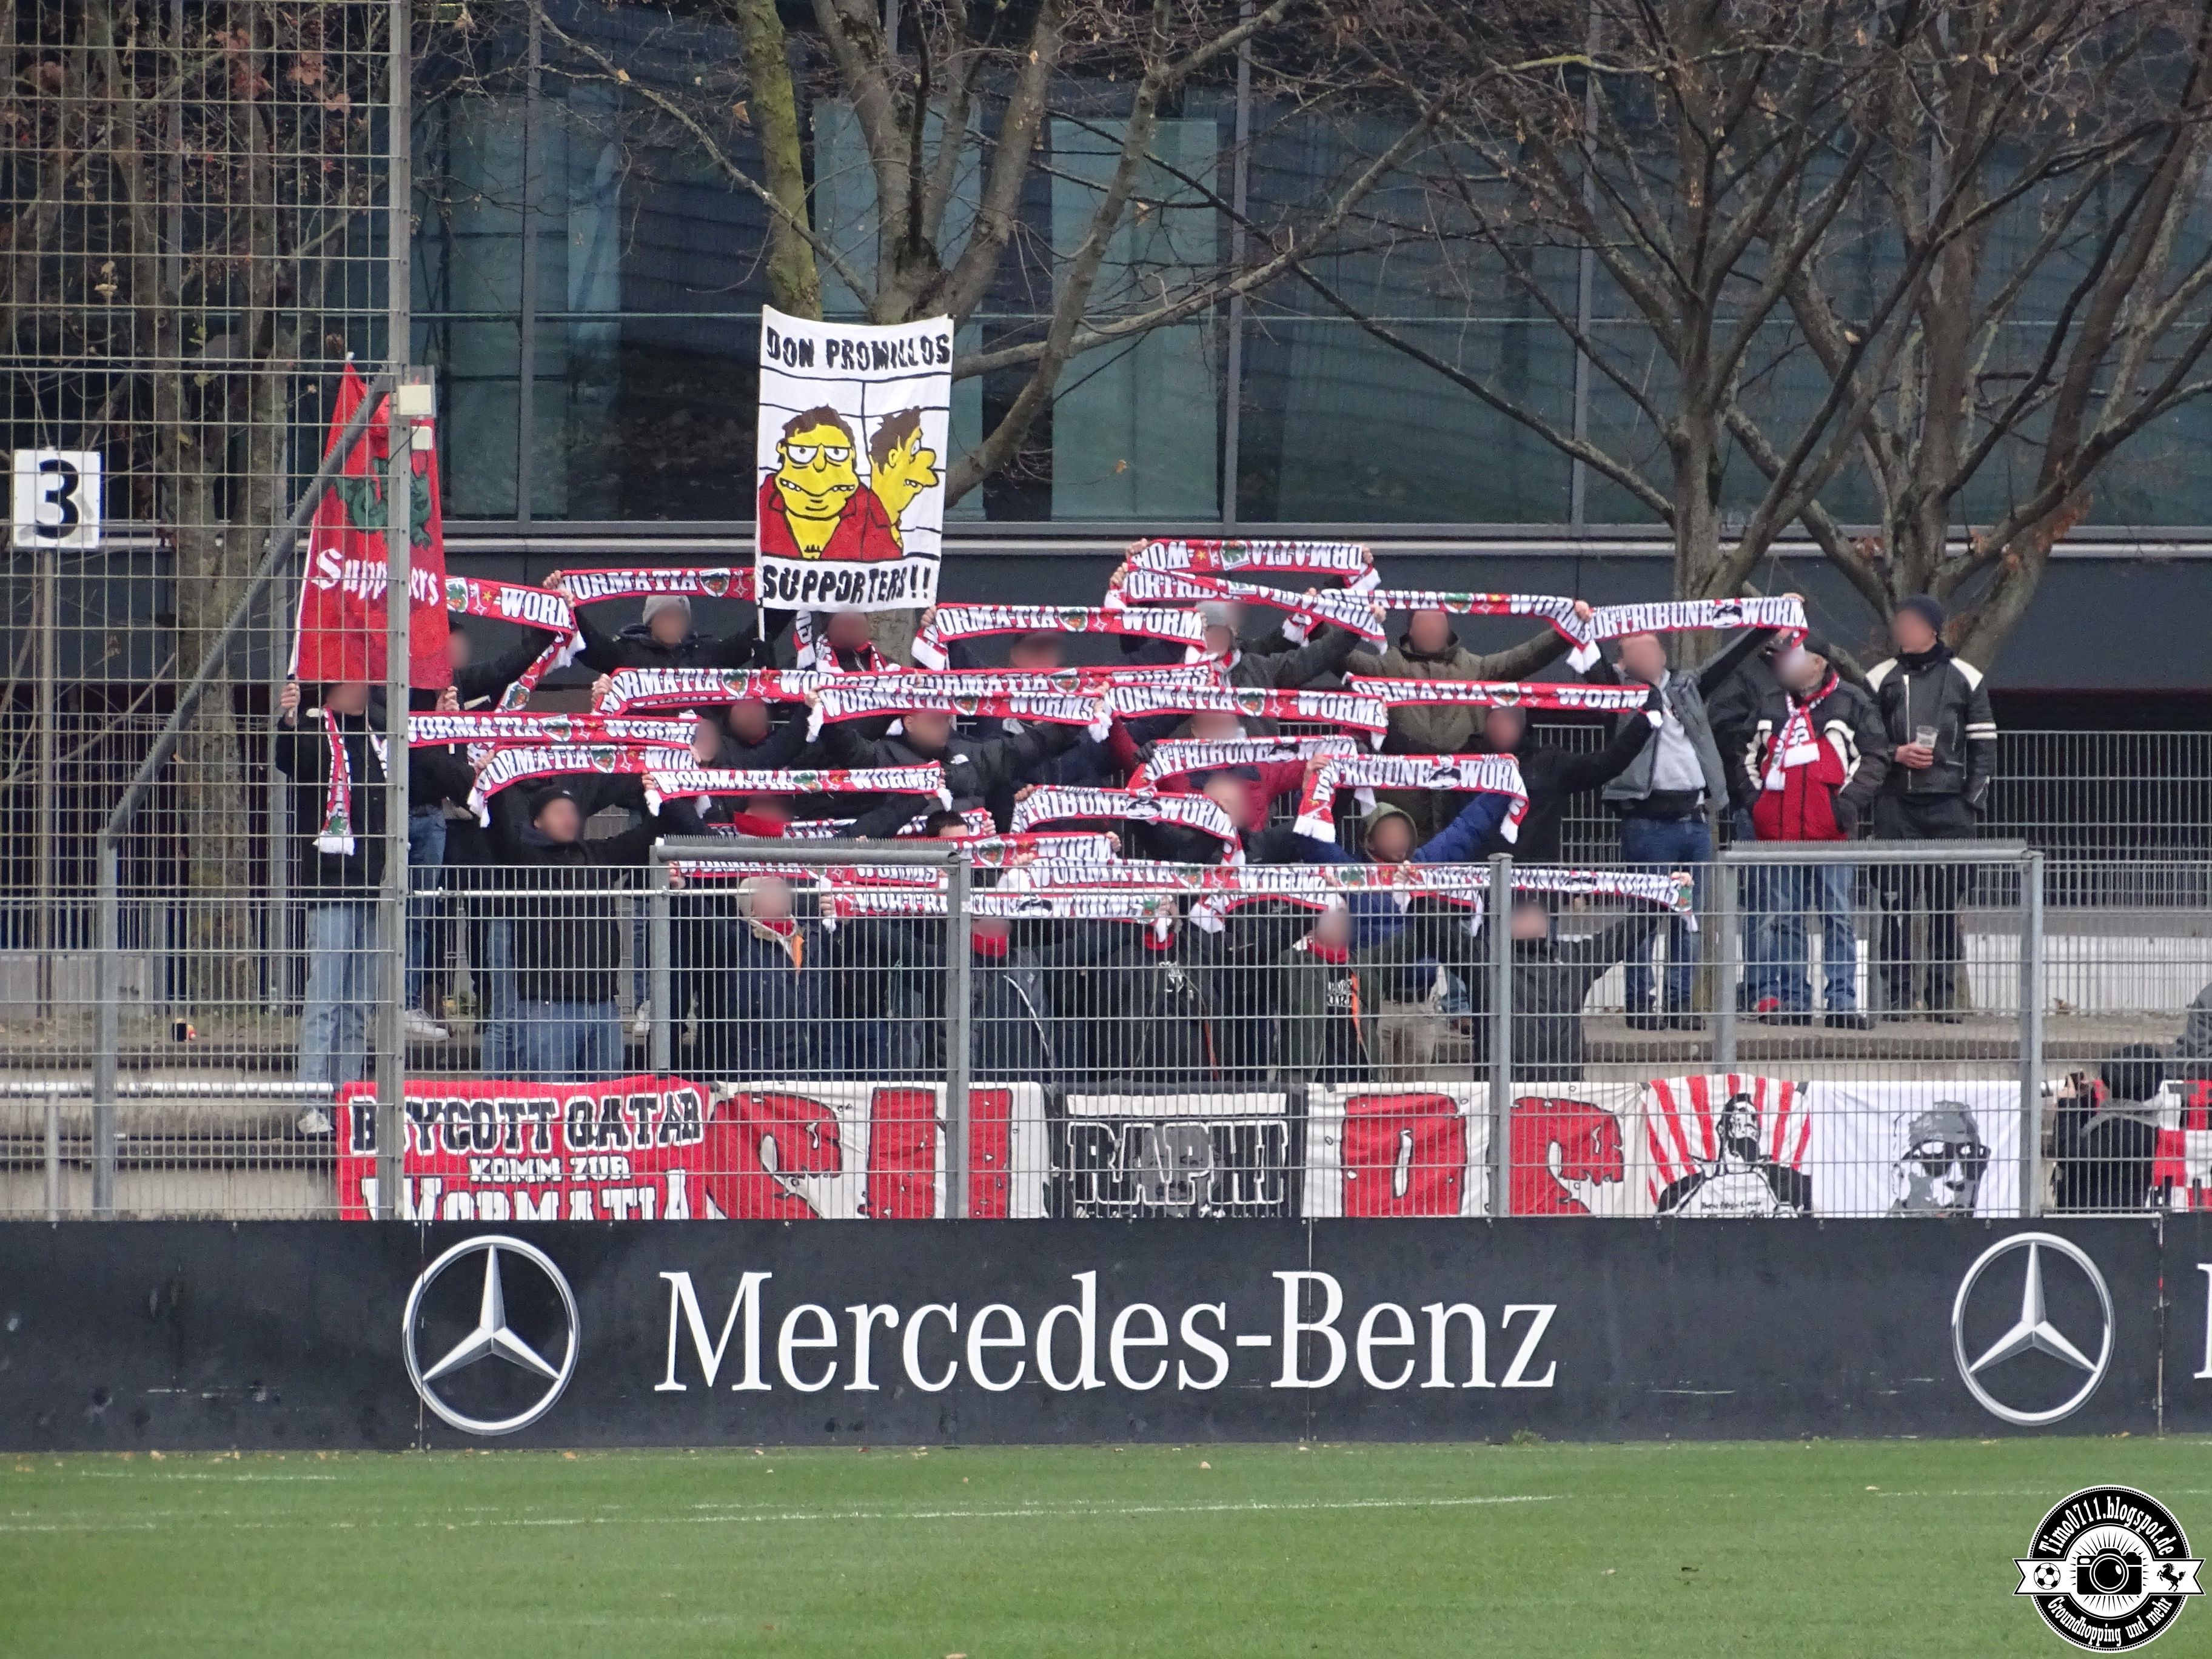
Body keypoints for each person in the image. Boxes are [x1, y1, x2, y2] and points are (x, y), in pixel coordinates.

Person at [275, 680, 471, 1088]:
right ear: (330, 691)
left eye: (364, 683)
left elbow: (425, 769)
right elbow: (292, 759)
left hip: (374, 885)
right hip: (331, 884)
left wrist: (440, 723)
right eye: (350, 684)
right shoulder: (316, 732)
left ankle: (346, 1097)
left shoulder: (381, 732)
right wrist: (289, 720)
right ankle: (312, 1097)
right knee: (325, 1000)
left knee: (358, 1005)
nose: (360, 690)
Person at [1587, 620, 1776, 1028]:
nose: (1647, 656)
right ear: (1623, 660)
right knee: (1644, 920)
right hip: (1647, 822)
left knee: (1687, 919)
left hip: (1694, 822)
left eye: (1652, 648)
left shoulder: (1688, 687)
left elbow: (1727, 659)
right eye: (1635, 651)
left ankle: (1678, 1004)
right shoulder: (1621, 694)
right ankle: (1641, 1003)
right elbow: (1589, 665)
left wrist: (1767, 623)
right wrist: (1581, 627)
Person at [493, 780, 700, 1082]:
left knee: (605, 1116)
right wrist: (495, 776)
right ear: (536, 822)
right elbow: (497, 817)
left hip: (603, 1007)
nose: (569, 818)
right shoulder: (523, 860)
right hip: (548, 1008)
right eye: (558, 812)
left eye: (572, 812)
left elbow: (656, 830)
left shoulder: (598, 857)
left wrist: (665, 787)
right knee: (549, 1109)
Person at [1734, 641, 1891, 1028]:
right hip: (1779, 834)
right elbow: (1744, 756)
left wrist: (1845, 805)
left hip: (1830, 834)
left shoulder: (1852, 702)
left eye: (1795, 658)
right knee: (1786, 919)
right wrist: (1758, 804)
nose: (1785, 665)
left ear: (1818, 663)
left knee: (1837, 917)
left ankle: (1841, 1003)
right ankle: (1794, 1001)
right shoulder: (1770, 704)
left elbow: (1873, 757)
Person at [1864, 595, 1998, 1019]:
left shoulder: (1965, 677)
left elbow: (1985, 745)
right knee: (1895, 904)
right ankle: (1899, 1000)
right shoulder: (1879, 678)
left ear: (1932, 629)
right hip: (1895, 807)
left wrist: (1971, 803)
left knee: (1945, 905)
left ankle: (1943, 999)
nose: (1902, 629)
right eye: (1898, 621)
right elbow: (1861, 741)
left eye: (1910, 622)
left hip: (1950, 809)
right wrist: (1894, 755)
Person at [1346, 606, 1570, 838]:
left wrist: (1565, 633)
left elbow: (1527, 657)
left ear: (1447, 628)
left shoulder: (1475, 668)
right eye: (1425, 622)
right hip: (1402, 799)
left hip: (1462, 794)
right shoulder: (1387, 666)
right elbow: (1340, 657)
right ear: (1410, 630)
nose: (1432, 628)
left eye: (1438, 621)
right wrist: (1314, 621)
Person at [1460, 890, 1678, 1082]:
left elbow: (1623, 936)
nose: (1532, 916)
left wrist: (1665, 896)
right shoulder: (1485, 959)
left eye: (1538, 909)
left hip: (1566, 1095)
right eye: (1522, 911)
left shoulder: (1572, 957)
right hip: (1506, 1098)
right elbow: (1437, 931)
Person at [560, 582, 756, 673]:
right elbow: (588, 644)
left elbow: (751, 641)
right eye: (665, 616)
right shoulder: (626, 653)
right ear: (651, 622)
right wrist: (567, 606)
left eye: (677, 617)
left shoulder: (707, 653)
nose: (672, 623)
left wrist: (780, 600)